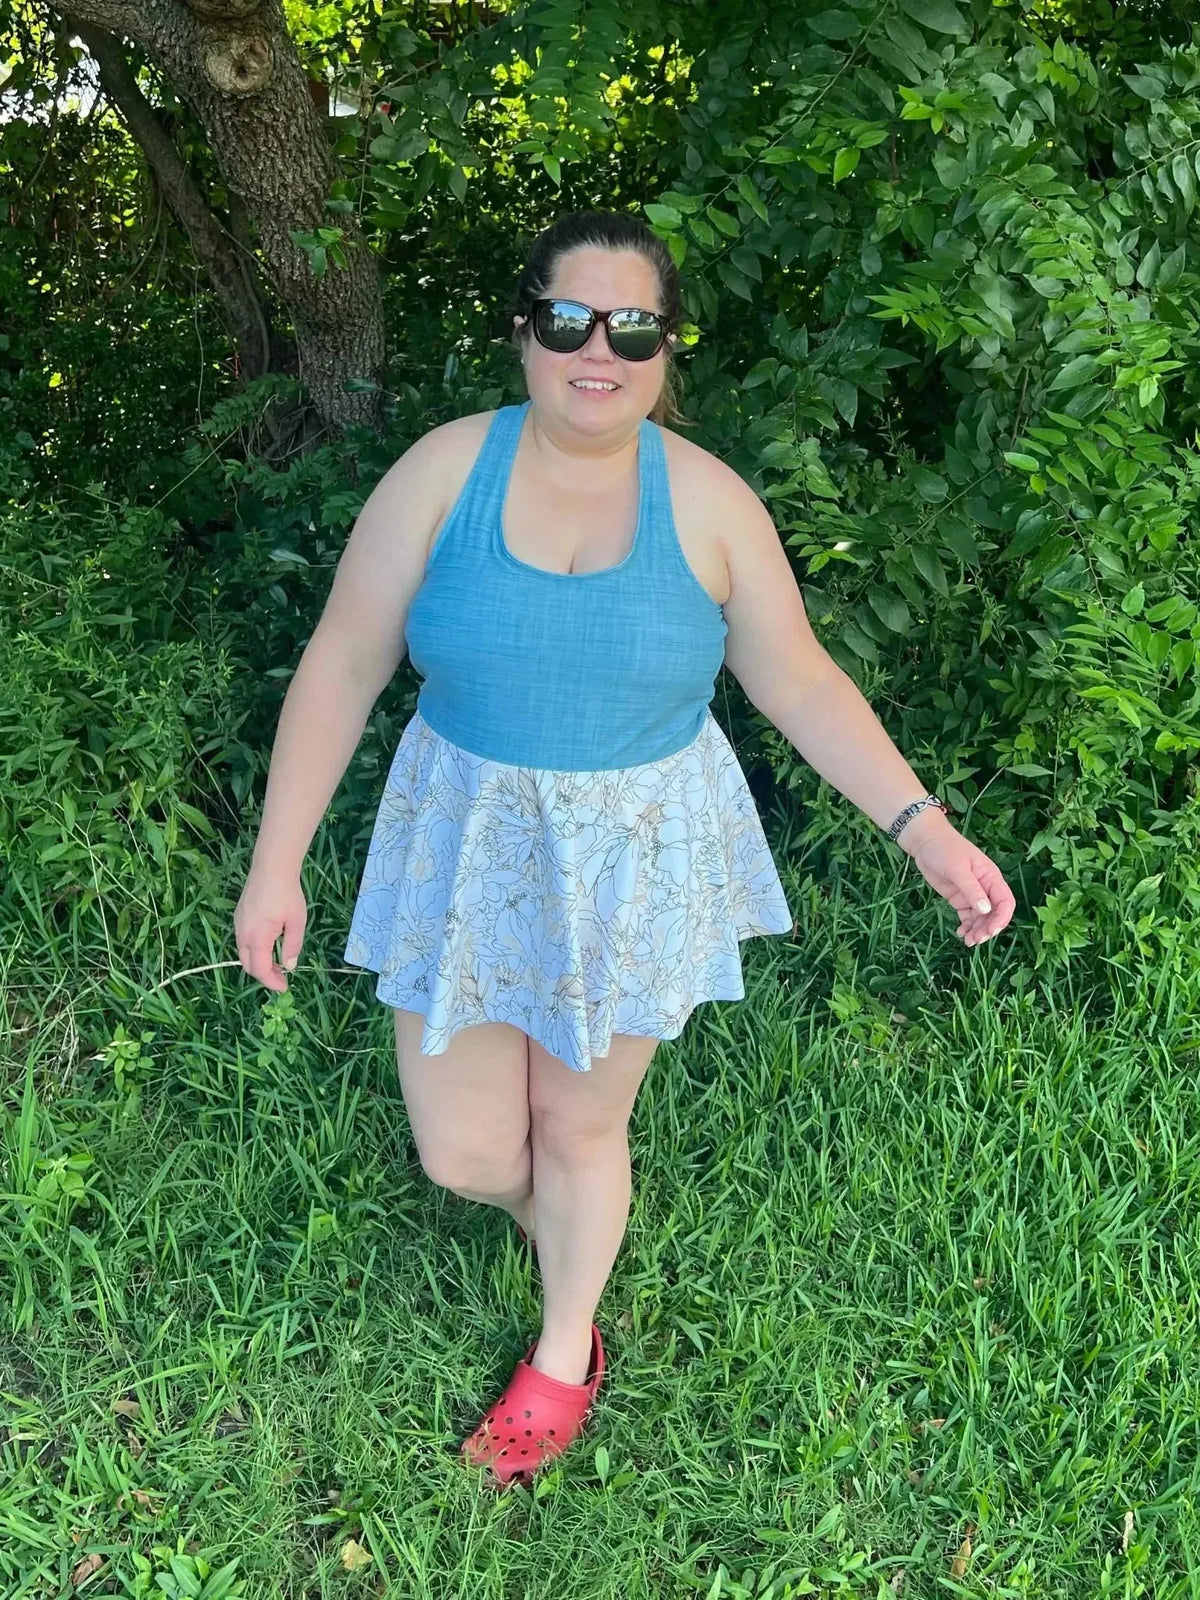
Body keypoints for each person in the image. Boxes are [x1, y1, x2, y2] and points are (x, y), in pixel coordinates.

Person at [234, 208, 1016, 1490]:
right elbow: (343, 660)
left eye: (633, 326)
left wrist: (922, 826)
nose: (599, 350)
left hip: (639, 849)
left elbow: (800, 682)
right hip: (471, 838)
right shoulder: (442, 473)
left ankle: (564, 1345)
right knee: (469, 1153)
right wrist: (277, 864)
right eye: (569, 320)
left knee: (584, 1125)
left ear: (666, 349)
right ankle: (572, 1242)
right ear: (526, 332)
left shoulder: (709, 502)